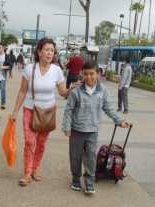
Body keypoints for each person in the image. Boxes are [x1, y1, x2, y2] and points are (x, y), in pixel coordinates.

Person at [62, 60, 130, 195]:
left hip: (93, 131)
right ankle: (76, 179)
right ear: (82, 74)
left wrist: (119, 120)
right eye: (86, 74)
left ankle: (89, 182)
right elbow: (68, 110)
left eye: (92, 74)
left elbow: (108, 108)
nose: (89, 77)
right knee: (75, 157)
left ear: (98, 74)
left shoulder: (102, 90)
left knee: (91, 158)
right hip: (76, 131)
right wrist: (67, 126)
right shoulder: (76, 91)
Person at [11, 38, 70, 187]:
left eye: (52, 50)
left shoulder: (57, 71)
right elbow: (22, 91)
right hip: (30, 110)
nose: (49, 53)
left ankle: (35, 168)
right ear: (39, 51)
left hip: (48, 112)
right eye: (46, 49)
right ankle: (27, 172)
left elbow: (63, 92)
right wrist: (15, 112)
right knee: (30, 142)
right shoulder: (30, 69)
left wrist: (72, 89)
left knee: (41, 143)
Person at [0, 44, 12, 110]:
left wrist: (3, 67)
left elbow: (10, 65)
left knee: (3, 90)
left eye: (0, 47)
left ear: (3, 48)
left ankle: (3, 104)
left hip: (3, 76)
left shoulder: (6, 56)